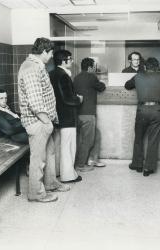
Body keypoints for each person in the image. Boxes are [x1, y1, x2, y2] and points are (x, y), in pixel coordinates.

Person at [18, 37, 70, 203]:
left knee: (49, 154)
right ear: (44, 52)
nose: (51, 55)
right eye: (51, 52)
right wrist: (46, 121)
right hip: (38, 122)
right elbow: (35, 101)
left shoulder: (37, 66)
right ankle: (36, 193)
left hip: (44, 120)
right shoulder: (31, 68)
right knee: (38, 159)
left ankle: (51, 183)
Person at [125, 57, 160, 176]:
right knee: (153, 140)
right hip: (157, 111)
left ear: (145, 67)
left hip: (142, 110)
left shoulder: (138, 76)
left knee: (138, 138)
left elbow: (127, 85)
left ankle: (137, 164)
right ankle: (148, 168)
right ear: (157, 67)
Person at [49, 49, 83, 182]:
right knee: (68, 147)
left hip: (56, 116)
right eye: (70, 59)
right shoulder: (63, 75)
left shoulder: (52, 74)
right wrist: (78, 99)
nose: (72, 61)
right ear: (64, 61)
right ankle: (68, 176)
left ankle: (58, 172)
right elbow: (67, 98)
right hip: (67, 116)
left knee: (58, 147)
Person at [73, 57, 106, 170]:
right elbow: (101, 87)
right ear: (90, 67)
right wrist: (101, 81)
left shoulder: (76, 78)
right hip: (88, 114)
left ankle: (92, 159)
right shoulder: (91, 77)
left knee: (96, 135)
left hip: (78, 113)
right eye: (94, 67)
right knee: (88, 140)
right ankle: (80, 165)